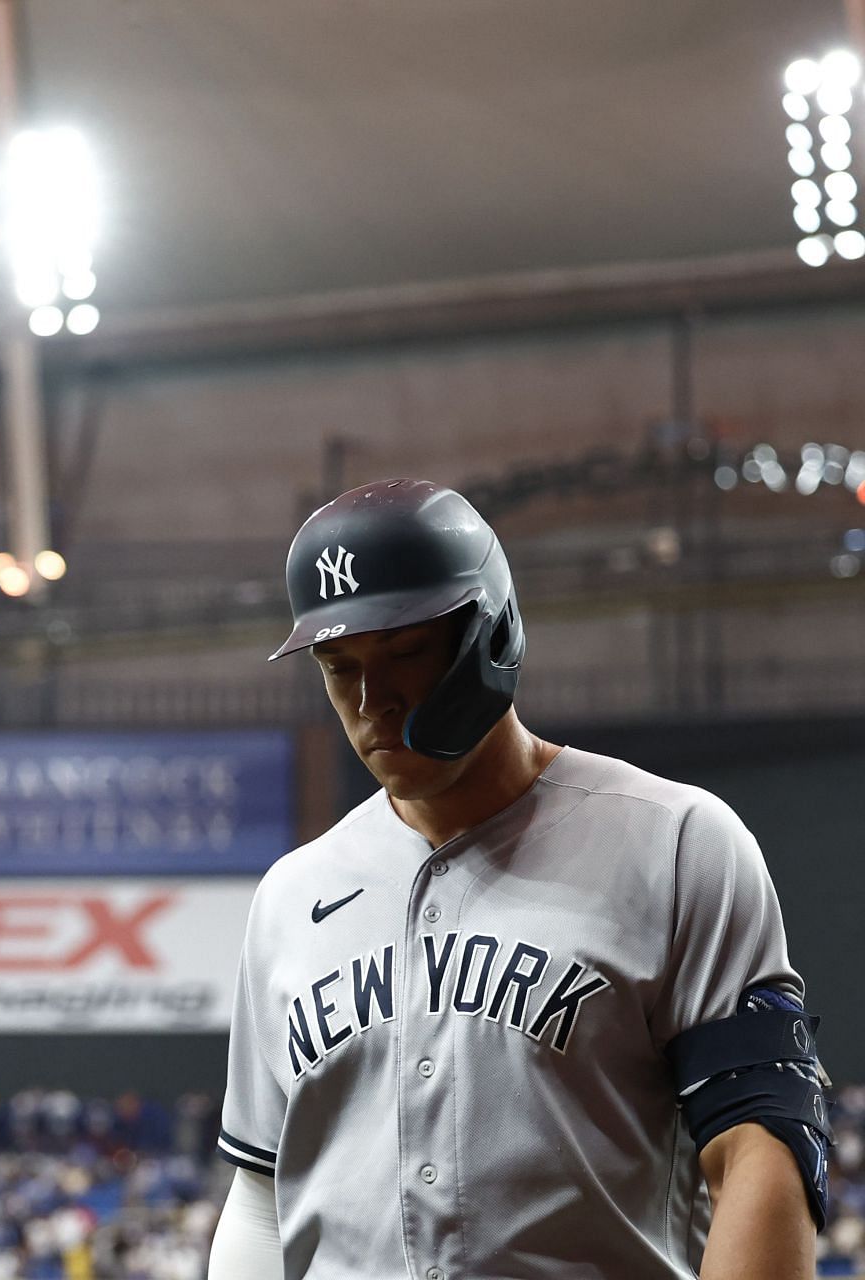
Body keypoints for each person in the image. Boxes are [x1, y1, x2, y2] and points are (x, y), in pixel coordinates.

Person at [209, 480, 829, 1279]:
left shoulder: (673, 842)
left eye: (403, 655)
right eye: (339, 667)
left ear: (491, 636)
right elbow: (261, 1194)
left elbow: (762, 1146)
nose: (371, 701)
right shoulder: (291, 897)